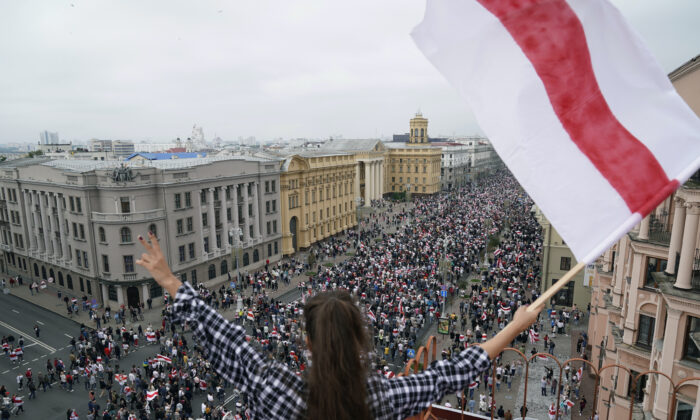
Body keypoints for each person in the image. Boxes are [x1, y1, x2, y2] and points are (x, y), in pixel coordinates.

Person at [135, 231, 543, 419]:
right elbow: (453, 373)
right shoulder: (381, 396)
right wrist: (514, 325)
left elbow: (225, 337)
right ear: (359, 338)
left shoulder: (273, 385)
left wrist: (170, 281)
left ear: (308, 342)